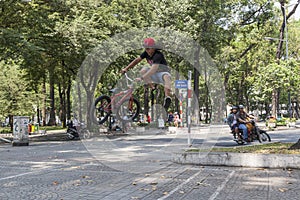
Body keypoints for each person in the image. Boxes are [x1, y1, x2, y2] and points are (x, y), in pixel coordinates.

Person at [121, 37, 172, 112]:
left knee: (166, 77)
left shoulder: (158, 55)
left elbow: (153, 69)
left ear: (153, 48)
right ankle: (152, 87)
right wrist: (126, 68)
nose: (147, 51)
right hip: (154, 75)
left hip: (161, 74)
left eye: (148, 48)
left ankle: (167, 97)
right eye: (146, 49)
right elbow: (136, 60)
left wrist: (141, 78)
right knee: (143, 70)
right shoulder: (145, 53)